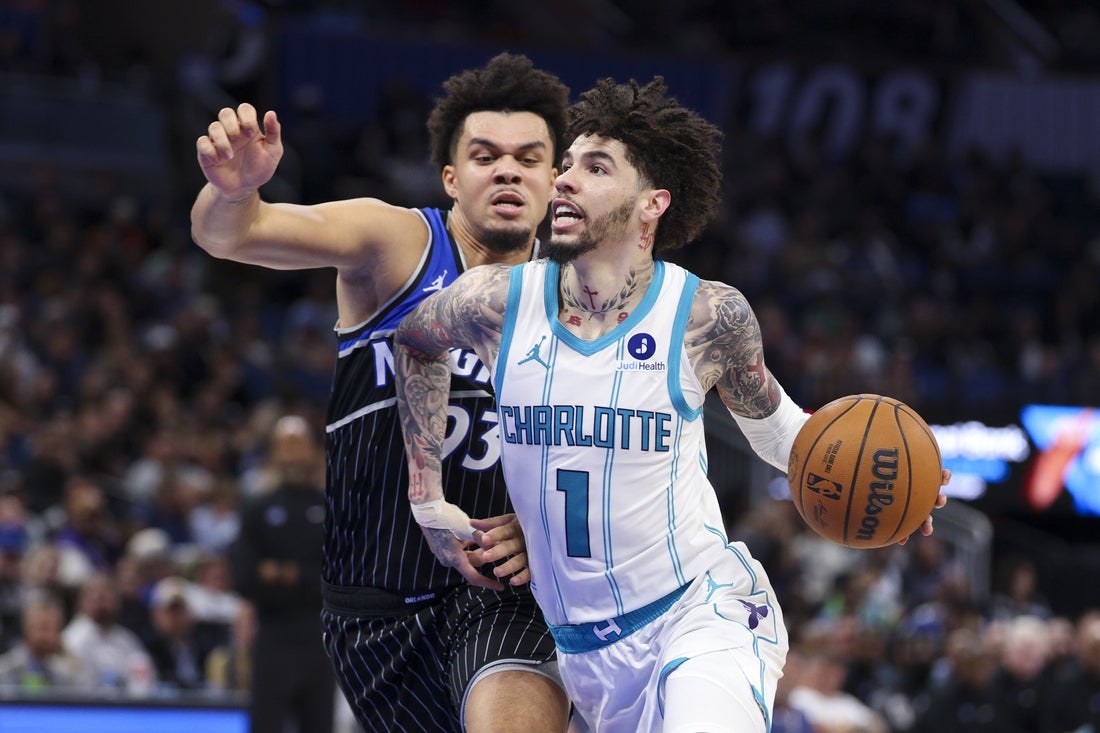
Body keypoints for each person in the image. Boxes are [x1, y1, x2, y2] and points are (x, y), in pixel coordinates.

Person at [393, 76, 950, 731]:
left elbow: (782, 434)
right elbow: (415, 344)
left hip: (701, 613)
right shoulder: (493, 301)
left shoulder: (707, 316)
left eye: (596, 167)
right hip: (584, 658)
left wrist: (889, 482)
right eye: (565, 164)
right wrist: (426, 496)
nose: (564, 180)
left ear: (652, 203)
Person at [190, 53, 572, 732]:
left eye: (528, 158)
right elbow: (232, 235)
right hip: (373, 606)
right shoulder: (398, 243)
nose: (508, 170)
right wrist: (233, 192)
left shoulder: (579, 301)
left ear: (554, 181)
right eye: (486, 156)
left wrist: (547, 526)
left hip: (504, 593)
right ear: (451, 178)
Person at [229, 414, 334, 733]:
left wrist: (285, 573)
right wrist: (307, 578)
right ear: (273, 453)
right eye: (284, 446)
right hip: (272, 635)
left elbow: (336, 579)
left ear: (313, 451)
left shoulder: (330, 507)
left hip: (319, 637)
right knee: (266, 724)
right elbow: (245, 578)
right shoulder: (257, 508)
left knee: (318, 724)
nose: (292, 454)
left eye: (298, 445)